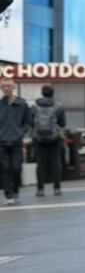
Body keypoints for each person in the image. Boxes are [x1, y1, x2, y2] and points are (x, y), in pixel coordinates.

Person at [0, 78, 32, 206]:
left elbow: (28, 122)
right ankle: (9, 195)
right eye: (3, 86)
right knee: (5, 168)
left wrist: (20, 133)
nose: (6, 88)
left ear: (13, 87)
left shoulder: (22, 104)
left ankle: (15, 189)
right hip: (2, 142)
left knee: (16, 168)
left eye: (8, 86)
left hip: (16, 142)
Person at [32, 84, 66, 197]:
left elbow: (30, 122)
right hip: (54, 138)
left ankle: (40, 189)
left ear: (42, 93)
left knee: (40, 164)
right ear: (53, 93)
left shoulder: (34, 106)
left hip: (38, 138)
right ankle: (57, 188)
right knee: (55, 163)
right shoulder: (58, 106)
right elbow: (62, 124)